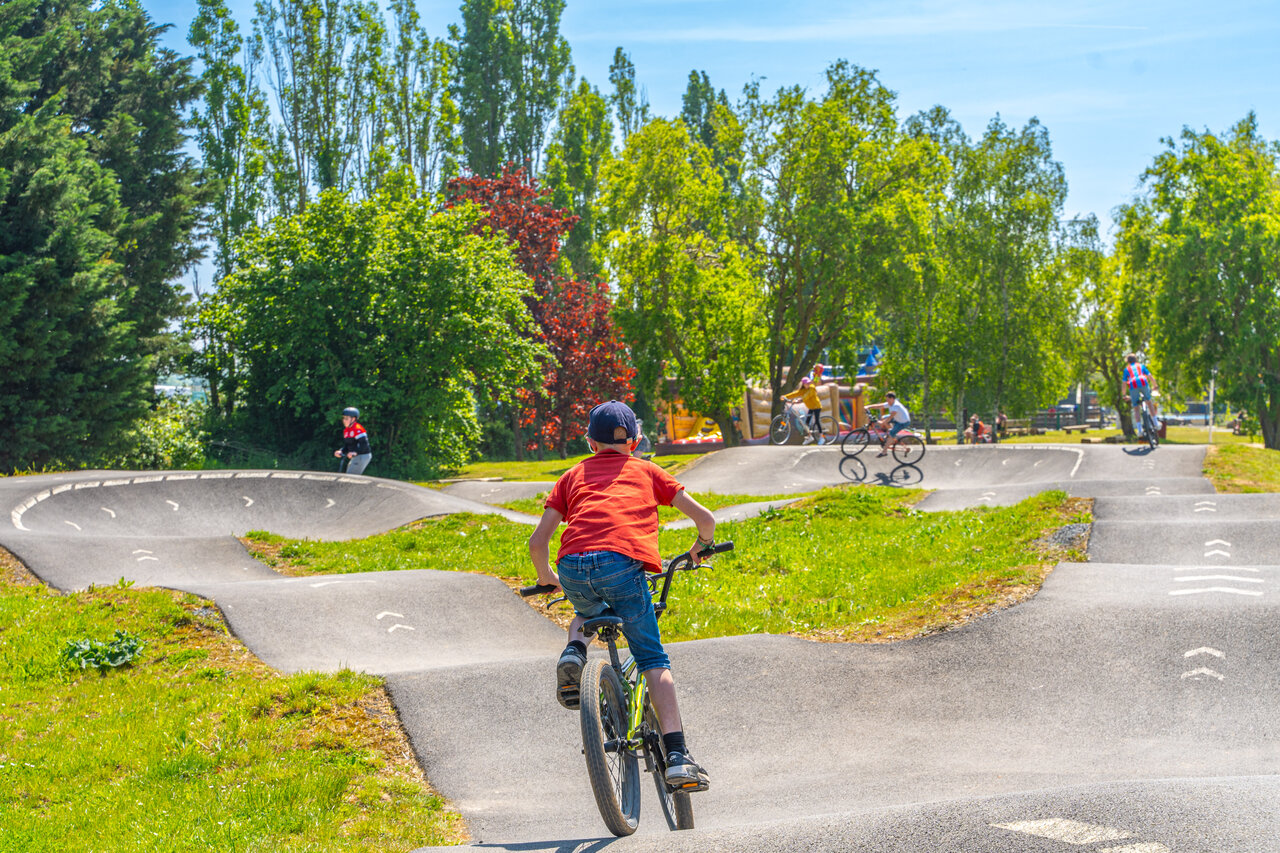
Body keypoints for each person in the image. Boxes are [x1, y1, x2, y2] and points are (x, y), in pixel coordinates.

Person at [528, 400, 717, 792]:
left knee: (586, 610)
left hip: (573, 565)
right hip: (622, 564)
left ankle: (574, 655)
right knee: (652, 657)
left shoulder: (571, 476)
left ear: (590, 443)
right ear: (635, 441)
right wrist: (702, 545)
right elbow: (706, 519)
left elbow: (537, 541)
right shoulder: (647, 470)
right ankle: (679, 756)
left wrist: (548, 577)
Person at [782, 376, 826, 445]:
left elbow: (807, 395)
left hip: (817, 407)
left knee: (817, 421)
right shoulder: (803, 390)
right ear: (803, 384)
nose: (808, 384)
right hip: (811, 407)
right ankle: (810, 436)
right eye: (806, 383)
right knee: (806, 423)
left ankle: (821, 438)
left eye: (808, 383)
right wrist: (785, 396)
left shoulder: (812, 388)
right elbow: (795, 393)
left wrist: (799, 400)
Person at [866, 391, 912, 457]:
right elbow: (880, 406)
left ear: (892, 398)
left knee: (891, 433)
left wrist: (883, 423)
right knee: (883, 417)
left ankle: (884, 452)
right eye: (886, 400)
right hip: (897, 418)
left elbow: (890, 417)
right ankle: (891, 436)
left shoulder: (896, 405)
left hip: (903, 422)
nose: (887, 401)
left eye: (888, 400)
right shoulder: (890, 403)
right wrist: (869, 406)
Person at [1123, 354, 1160, 434]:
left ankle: (1139, 430)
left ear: (1128, 362)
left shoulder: (1127, 369)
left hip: (1133, 385)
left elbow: (1124, 383)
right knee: (1149, 403)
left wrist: (1124, 395)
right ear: (1136, 359)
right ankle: (1156, 423)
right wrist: (1155, 386)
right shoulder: (1141, 366)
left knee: (1136, 408)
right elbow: (1150, 376)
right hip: (1143, 382)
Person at [334, 407, 372, 474]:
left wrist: (355, 452)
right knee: (349, 475)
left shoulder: (357, 429)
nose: (344, 420)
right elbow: (348, 446)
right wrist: (341, 451)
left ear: (353, 419)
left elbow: (364, 445)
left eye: (346, 418)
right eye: (343, 418)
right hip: (356, 455)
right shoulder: (346, 430)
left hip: (362, 455)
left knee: (350, 476)